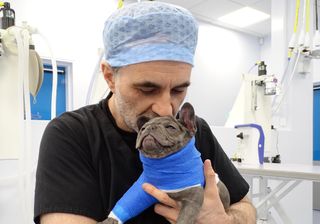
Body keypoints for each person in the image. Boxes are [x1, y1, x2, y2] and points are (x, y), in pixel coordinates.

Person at [34, 1, 256, 224]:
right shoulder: (72, 134)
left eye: (179, 89)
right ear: (110, 77)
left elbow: (246, 208)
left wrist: (225, 221)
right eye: (147, 89)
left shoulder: (196, 131)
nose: (166, 109)